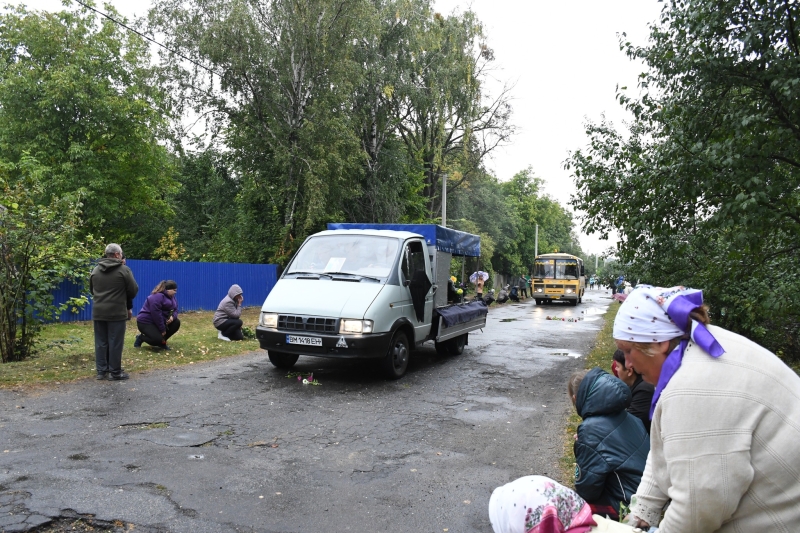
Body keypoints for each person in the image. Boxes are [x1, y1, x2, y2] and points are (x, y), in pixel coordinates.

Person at [615, 285, 800, 532]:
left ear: (657, 343)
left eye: (629, 350)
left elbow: (698, 509)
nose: (627, 363)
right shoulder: (694, 349)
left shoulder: (693, 386)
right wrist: (640, 514)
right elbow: (664, 450)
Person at [569, 368, 650, 521]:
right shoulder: (628, 416)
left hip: (628, 506)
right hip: (648, 495)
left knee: (570, 509)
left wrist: (581, 447)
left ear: (575, 398)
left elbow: (587, 490)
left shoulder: (590, 429)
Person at [90, 243, 138, 381]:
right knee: (115, 342)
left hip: (99, 311)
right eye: (121, 253)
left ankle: (101, 371)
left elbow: (92, 290)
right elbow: (133, 290)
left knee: (100, 342)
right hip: (116, 312)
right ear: (117, 255)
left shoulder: (95, 270)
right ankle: (115, 372)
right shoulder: (124, 270)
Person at [611, 349, 655, 433]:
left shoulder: (644, 391)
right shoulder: (634, 385)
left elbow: (626, 425)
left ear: (629, 371)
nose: (615, 369)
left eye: (618, 366)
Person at [133, 280, 180, 350]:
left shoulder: (172, 297)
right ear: (168, 290)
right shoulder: (156, 297)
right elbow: (156, 314)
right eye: (174, 290)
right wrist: (162, 329)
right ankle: (141, 338)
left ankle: (162, 342)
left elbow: (175, 309)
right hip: (146, 322)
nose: (175, 292)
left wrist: (172, 317)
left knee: (176, 322)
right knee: (156, 340)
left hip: (160, 321)